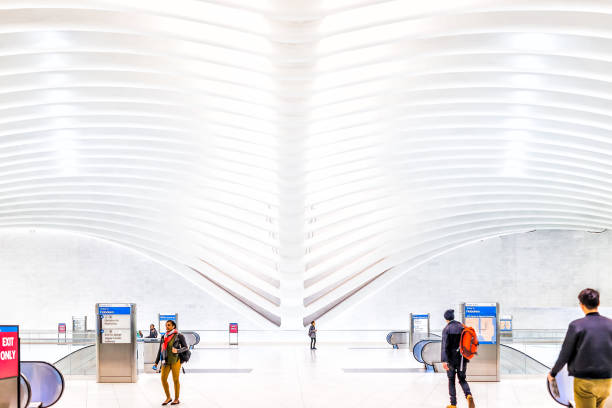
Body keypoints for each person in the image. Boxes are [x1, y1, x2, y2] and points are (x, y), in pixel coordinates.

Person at [548, 288, 612, 408]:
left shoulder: (576, 325)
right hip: (606, 381)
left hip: (585, 382)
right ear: (598, 303)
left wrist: (553, 373)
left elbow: (565, 354)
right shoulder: (610, 324)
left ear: (581, 305)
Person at [441, 309, 475, 408]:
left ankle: (453, 404)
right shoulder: (462, 327)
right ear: (453, 317)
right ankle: (468, 395)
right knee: (462, 379)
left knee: (451, 380)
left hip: (451, 360)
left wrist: (444, 360)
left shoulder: (446, 329)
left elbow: (444, 346)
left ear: (446, 319)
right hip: (462, 359)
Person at [152, 320, 188, 405]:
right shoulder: (163, 336)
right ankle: (168, 397)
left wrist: (177, 350)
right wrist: (156, 362)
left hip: (175, 361)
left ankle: (176, 399)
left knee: (175, 380)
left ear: (173, 326)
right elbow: (160, 350)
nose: (167, 327)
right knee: (163, 379)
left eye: (168, 325)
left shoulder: (179, 335)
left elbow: (186, 347)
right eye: (166, 325)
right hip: (165, 361)